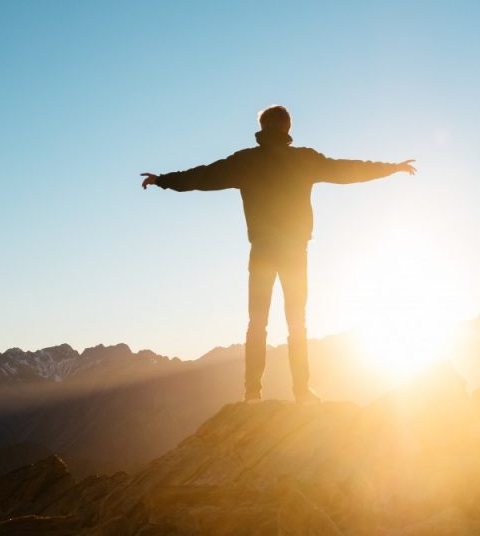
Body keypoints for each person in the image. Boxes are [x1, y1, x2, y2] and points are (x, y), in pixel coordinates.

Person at [141, 105, 416, 404]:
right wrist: (392, 167)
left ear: (262, 126)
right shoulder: (304, 160)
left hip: (262, 250)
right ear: (287, 128)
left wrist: (162, 180)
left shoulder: (246, 161)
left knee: (257, 322)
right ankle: (302, 392)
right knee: (297, 321)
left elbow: (202, 176)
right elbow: (348, 170)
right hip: (295, 251)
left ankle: (252, 393)